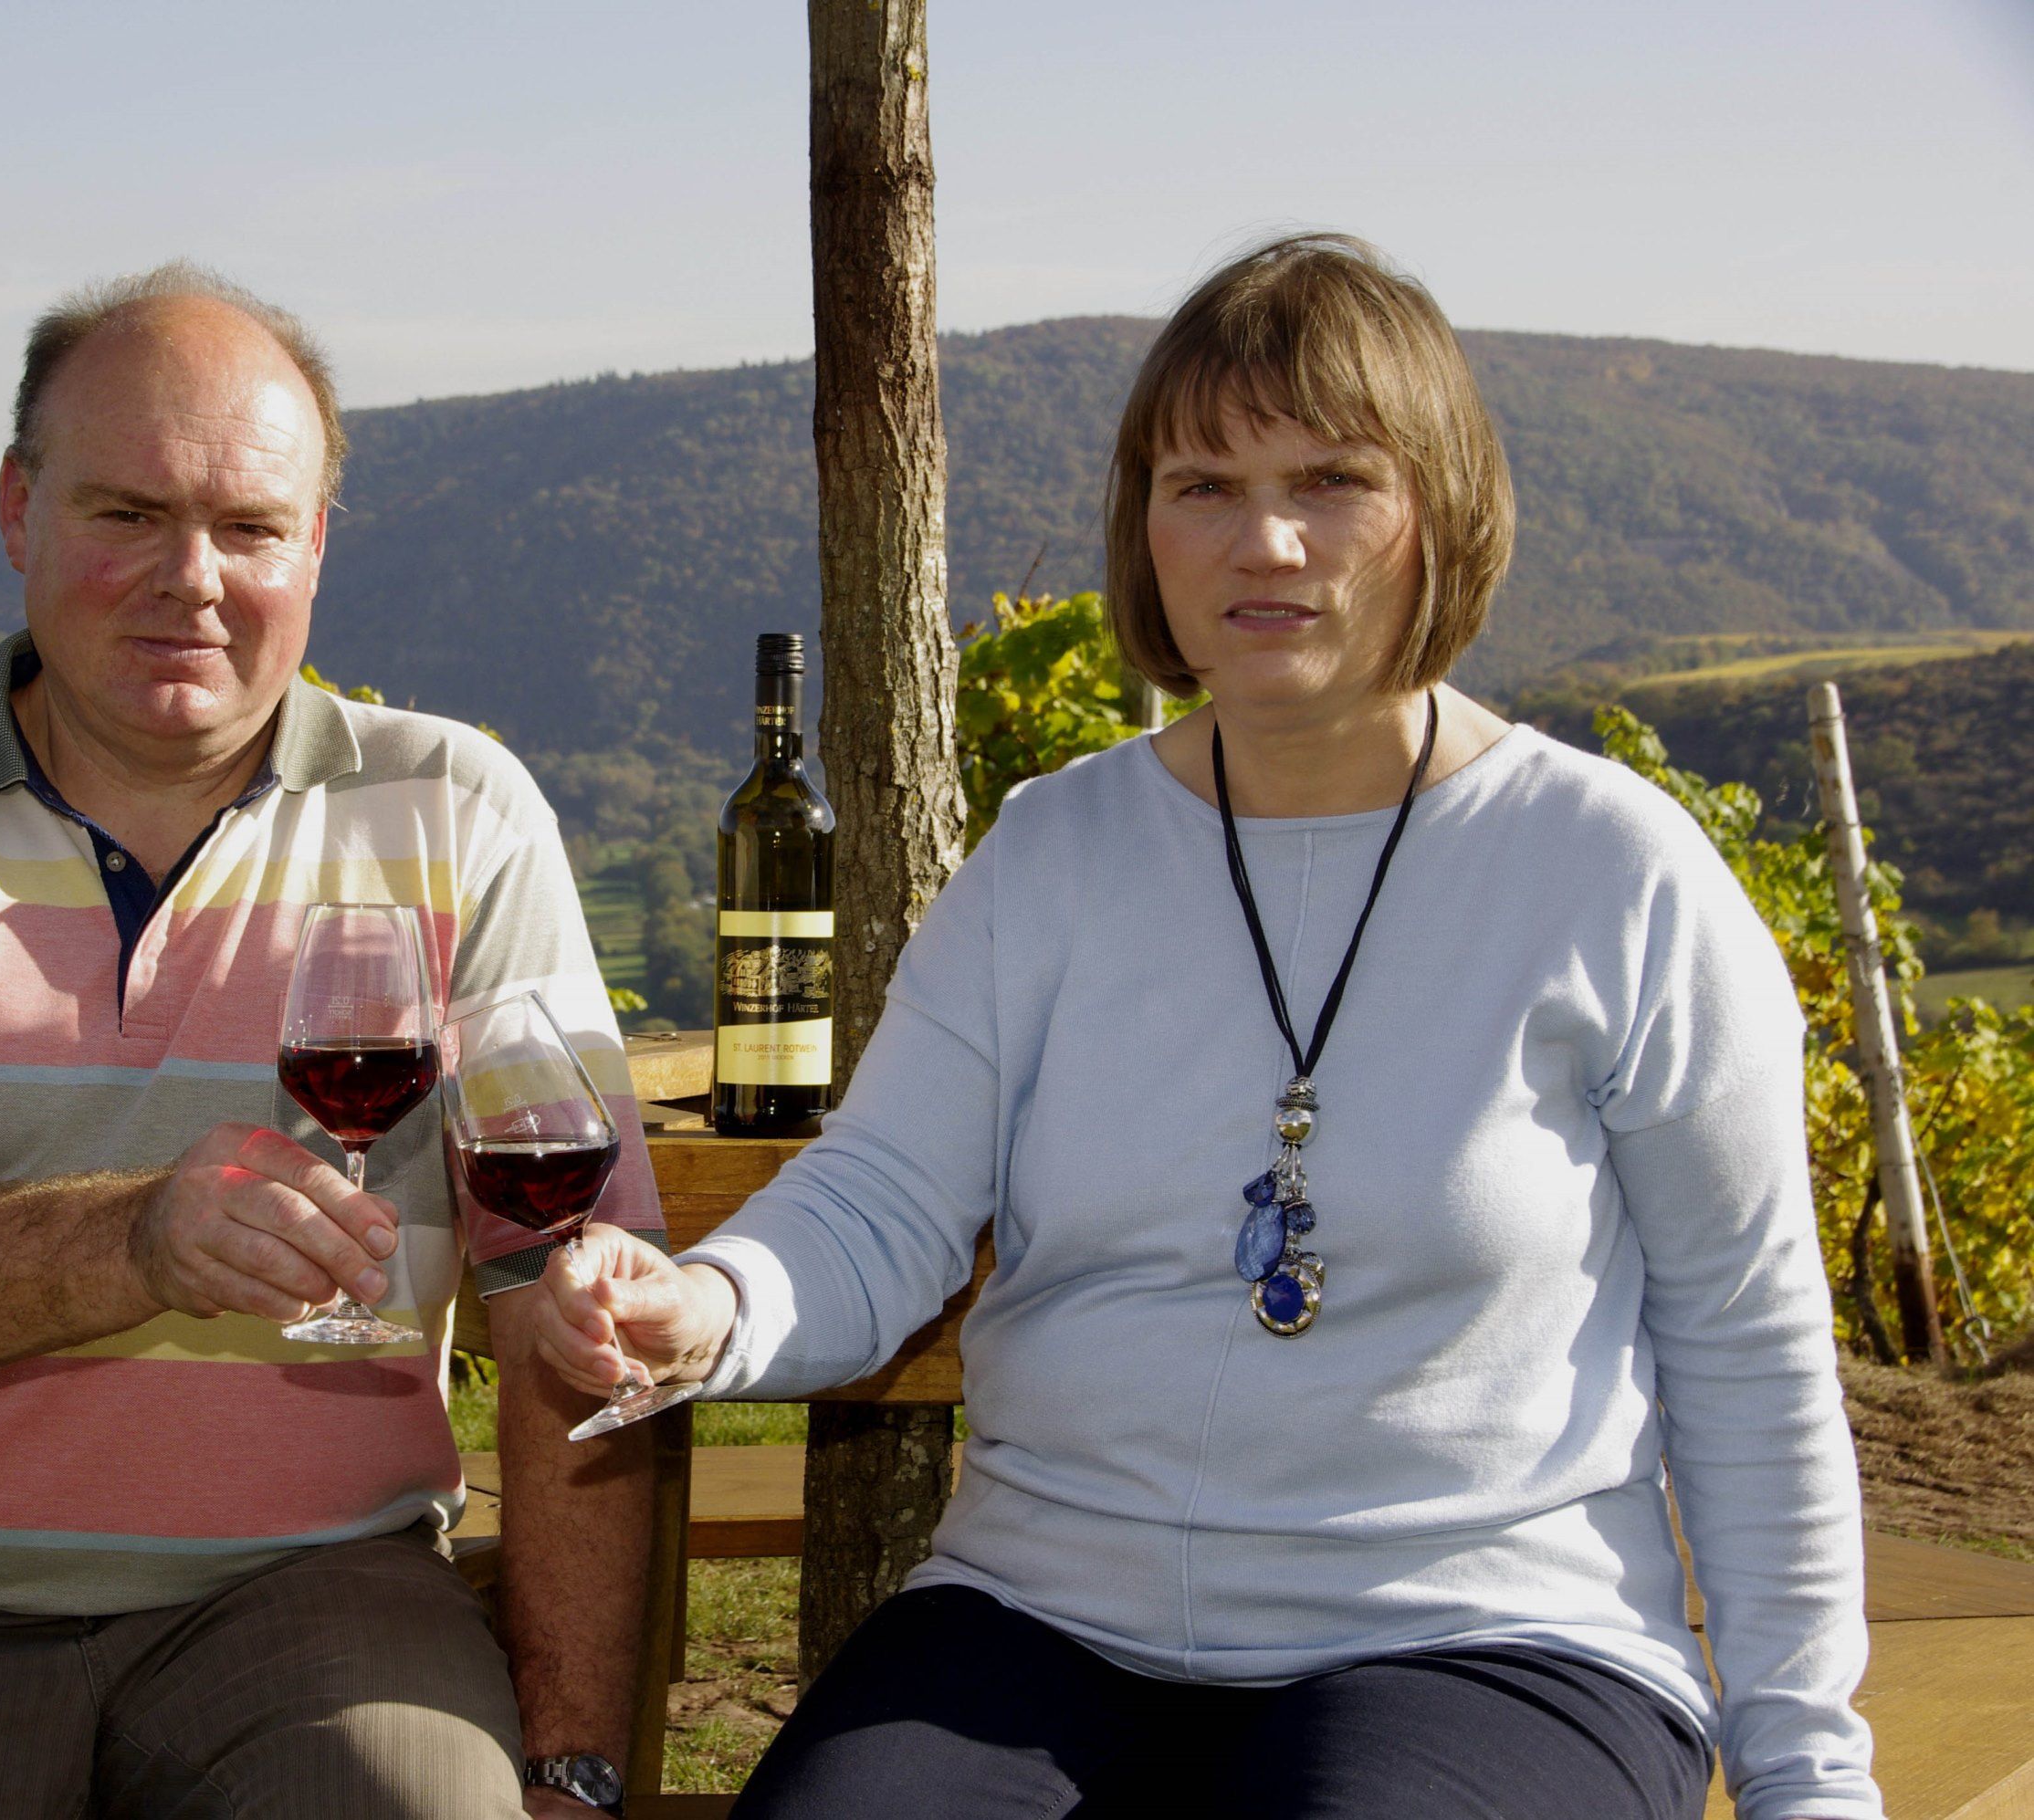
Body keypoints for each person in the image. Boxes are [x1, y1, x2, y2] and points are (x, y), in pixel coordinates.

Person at [536, 235, 1881, 1820]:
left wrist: (1805, 1778)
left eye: (1331, 479)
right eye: (1201, 484)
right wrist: (711, 1302)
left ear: (1438, 513)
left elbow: (1746, 1340)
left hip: (1484, 1636)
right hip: (1041, 1617)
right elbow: (881, 1200)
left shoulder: (1612, 875)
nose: (1265, 539)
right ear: (1142, 528)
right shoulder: (1050, 857)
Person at [0, 262, 657, 1820]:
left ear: (315, 543)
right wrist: (140, 1237)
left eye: (251, 527)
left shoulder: (457, 813)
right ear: (18, 511)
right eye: (128, 512)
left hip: (316, 1598)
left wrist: (575, 1763)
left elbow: (562, 1305)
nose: (192, 576)